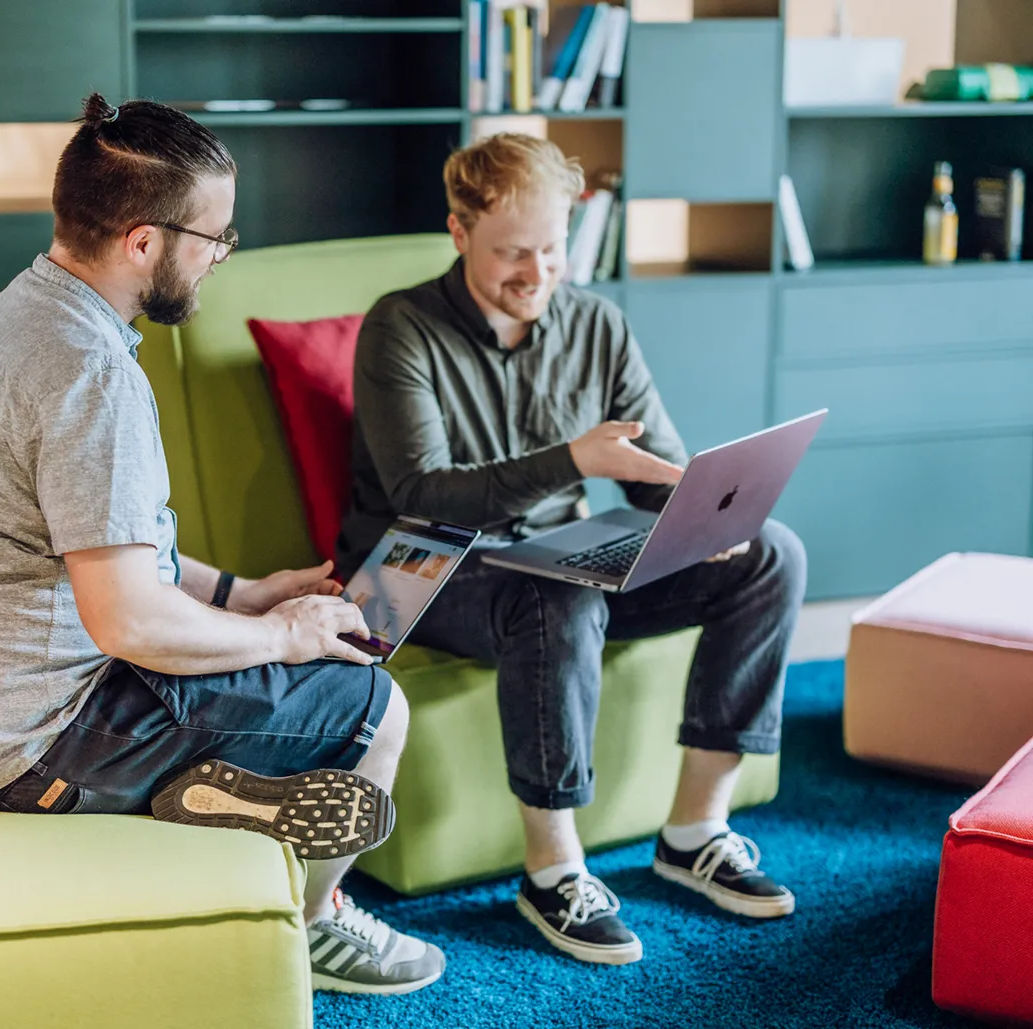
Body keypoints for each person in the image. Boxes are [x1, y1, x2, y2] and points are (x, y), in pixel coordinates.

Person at [0, 94, 443, 996]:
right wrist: (287, 636)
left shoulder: (16, 316)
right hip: (43, 744)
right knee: (371, 702)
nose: (224, 255)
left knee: (305, 650)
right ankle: (316, 929)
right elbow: (127, 618)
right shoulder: (89, 373)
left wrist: (244, 593)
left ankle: (216, 794)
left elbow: (99, 544)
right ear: (144, 242)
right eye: (215, 237)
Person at [338, 133, 807, 966]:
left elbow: (654, 469)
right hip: (412, 570)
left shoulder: (597, 323)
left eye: (552, 249)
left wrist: (709, 513)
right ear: (457, 230)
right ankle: (552, 870)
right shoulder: (398, 327)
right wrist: (572, 460)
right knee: (554, 591)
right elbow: (422, 493)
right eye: (512, 252)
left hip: (557, 556)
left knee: (771, 553)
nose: (538, 273)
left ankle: (696, 828)